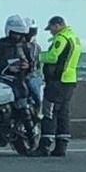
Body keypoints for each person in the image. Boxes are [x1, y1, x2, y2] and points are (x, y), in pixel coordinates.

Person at [28, 15, 82, 158]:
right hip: (69, 81)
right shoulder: (74, 38)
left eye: (51, 28)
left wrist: (38, 57)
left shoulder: (61, 38)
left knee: (49, 112)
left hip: (58, 81)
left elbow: (53, 57)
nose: (51, 32)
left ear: (57, 25)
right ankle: (61, 146)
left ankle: (45, 145)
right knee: (63, 114)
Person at [0, 15, 32, 113]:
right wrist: (7, 67)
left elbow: (31, 62)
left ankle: (29, 127)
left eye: (20, 34)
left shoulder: (24, 46)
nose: (18, 36)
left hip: (19, 79)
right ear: (9, 32)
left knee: (23, 106)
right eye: (15, 33)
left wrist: (28, 66)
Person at [23, 17, 45, 118]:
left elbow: (34, 63)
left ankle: (38, 109)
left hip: (33, 75)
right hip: (17, 75)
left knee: (33, 86)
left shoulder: (36, 47)